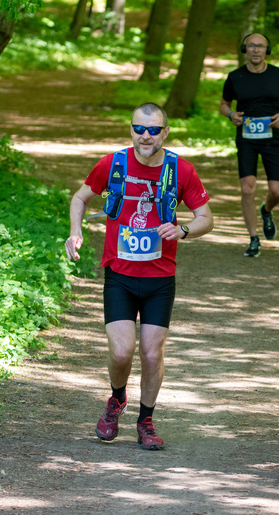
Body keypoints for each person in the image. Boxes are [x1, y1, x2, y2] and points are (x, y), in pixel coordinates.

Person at [65, 102, 213, 450]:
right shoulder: (112, 164)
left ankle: (146, 420)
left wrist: (183, 230)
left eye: (153, 130)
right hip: (120, 275)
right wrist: (75, 232)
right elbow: (79, 198)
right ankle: (117, 399)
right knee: (121, 353)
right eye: (139, 129)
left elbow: (206, 218)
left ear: (165, 132)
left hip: (160, 279)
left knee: (151, 354)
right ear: (131, 130)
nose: (146, 136)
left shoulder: (180, 170)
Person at [220, 32, 279, 258]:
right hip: (246, 139)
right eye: (251, 46)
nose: (256, 50)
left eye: (260, 46)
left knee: (277, 191)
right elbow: (224, 104)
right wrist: (231, 115)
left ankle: (266, 210)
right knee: (248, 187)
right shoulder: (235, 77)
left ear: (267, 50)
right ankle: (253, 238)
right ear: (244, 49)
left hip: (272, 138)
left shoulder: (278, 75)